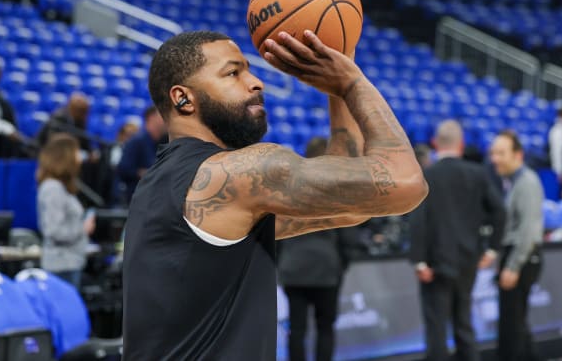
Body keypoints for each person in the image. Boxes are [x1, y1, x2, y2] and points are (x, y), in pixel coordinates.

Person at [122, 30, 427, 360]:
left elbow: (352, 206)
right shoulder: (238, 173)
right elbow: (406, 183)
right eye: (233, 72)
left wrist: (337, 88)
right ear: (183, 98)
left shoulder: (161, 183)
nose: (256, 82)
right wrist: (351, 83)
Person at [408, 120, 506, 361]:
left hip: (435, 264)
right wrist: (492, 249)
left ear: (434, 144)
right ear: (461, 145)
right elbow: (500, 211)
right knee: (464, 324)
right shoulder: (478, 174)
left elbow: (417, 220)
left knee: (436, 329)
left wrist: (419, 261)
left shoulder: (426, 176)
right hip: (467, 261)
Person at [278, 136, 355, 361]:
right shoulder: (336, 189)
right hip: (326, 269)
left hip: (294, 268)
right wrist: (342, 265)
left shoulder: (288, 188)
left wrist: (281, 262)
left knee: (297, 329)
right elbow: (348, 235)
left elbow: (277, 232)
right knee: (325, 328)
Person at [489, 130, 544, 361]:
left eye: (501, 153)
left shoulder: (527, 182)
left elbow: (528, 230)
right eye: (493, 153)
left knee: (512, 326)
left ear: (518, 155)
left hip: (522, 257)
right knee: (517, 323)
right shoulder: (513, 182)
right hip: (518, 255)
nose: (495, 159)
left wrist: (513, 265)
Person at [36, 133, 95, 289]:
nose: (80, 158)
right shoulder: (52, 189)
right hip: (61, 266)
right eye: (76, 152)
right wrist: (83, 228)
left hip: (70, 263)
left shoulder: (61, 187)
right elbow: (54, 231)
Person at [116, 106, 166, 201]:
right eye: (161, 115)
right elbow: (123, 169)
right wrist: (144, 173)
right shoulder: (136, 142)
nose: (166, 118)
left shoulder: (165, 141)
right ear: (151, 117)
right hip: (137, 197)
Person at [109, 121, 140, 206]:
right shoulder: (116, 150)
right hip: (118, 193)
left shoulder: (139, 153)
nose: (130, 139)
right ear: (121, 135)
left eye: (134, 136)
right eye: (128, 135)